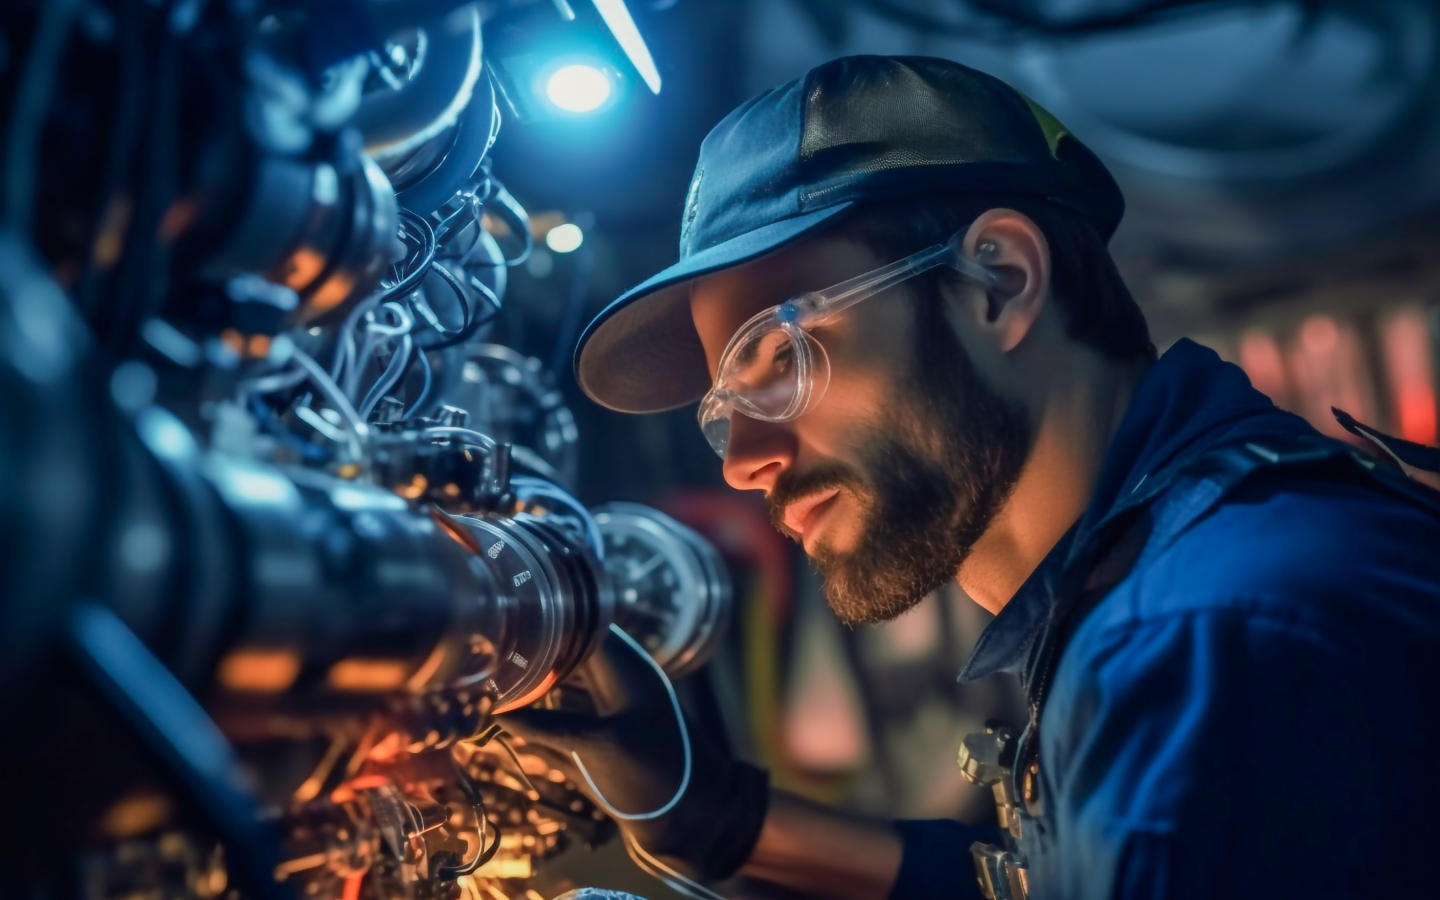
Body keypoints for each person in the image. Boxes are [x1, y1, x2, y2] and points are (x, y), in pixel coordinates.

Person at [504, 55, 1440, 900]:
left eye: (778, 360)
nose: (745, 462)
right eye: (721, 411)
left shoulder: (1209, 634)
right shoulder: (1159, 576)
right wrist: (711, 817)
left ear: (996, 281)